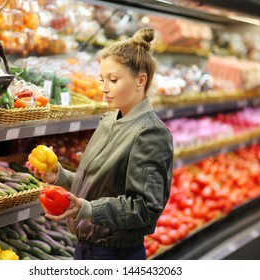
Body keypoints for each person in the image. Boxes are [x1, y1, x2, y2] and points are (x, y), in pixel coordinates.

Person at [27, 28, 174, 260]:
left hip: (114, 254)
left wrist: (87, 209)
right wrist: (59, 176)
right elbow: (98, 186)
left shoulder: (151, 133)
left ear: (141, 80)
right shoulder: (108, 120)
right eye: (102, 79)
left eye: (113, 80)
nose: (104, 88)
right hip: (86, 248)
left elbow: (145, 208)